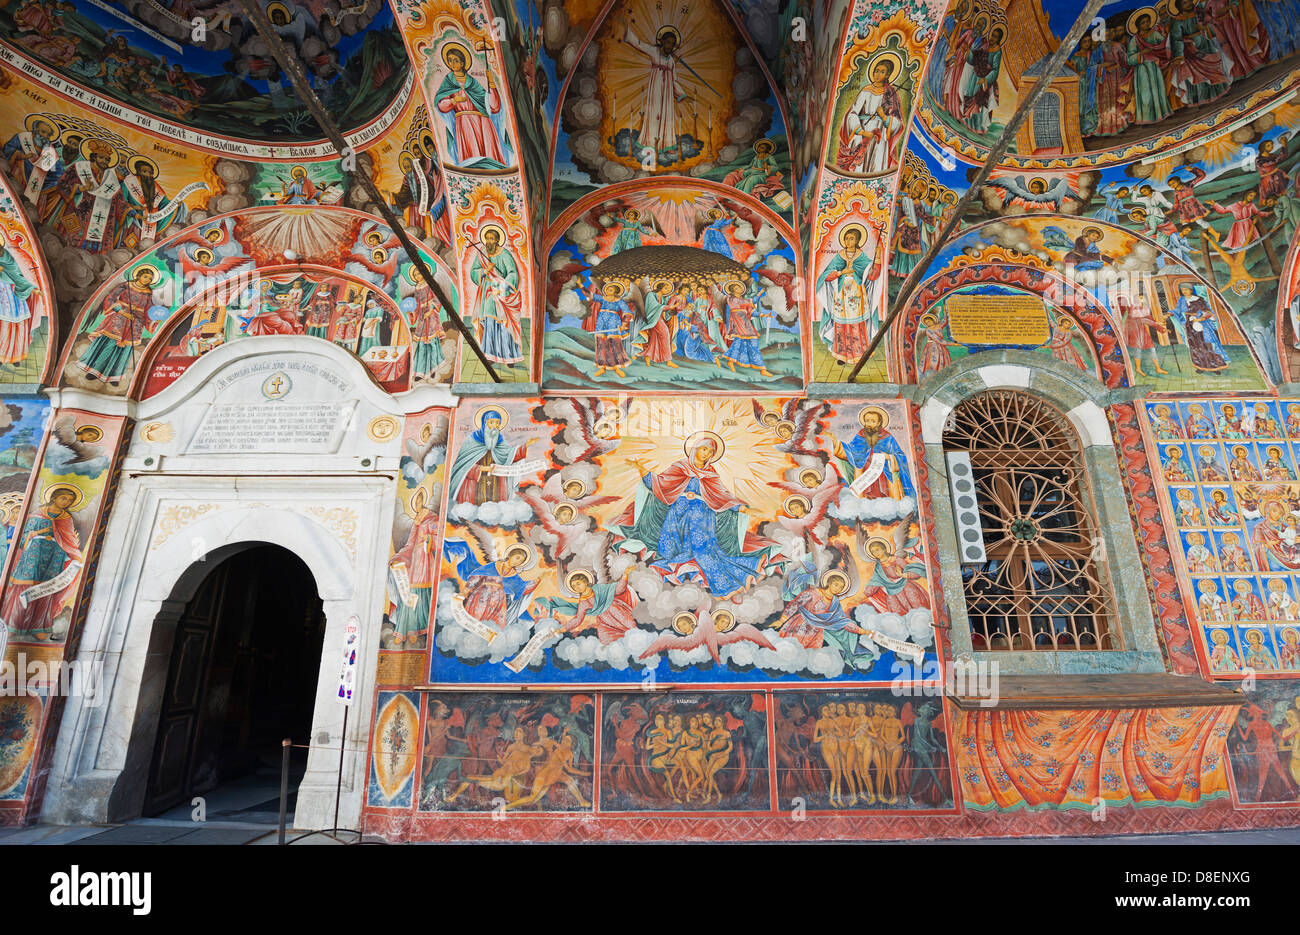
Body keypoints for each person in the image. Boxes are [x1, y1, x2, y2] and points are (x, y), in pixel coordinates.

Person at [619, 432, 770, 597]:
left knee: (703, 552)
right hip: (678, 513)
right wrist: (641, 469)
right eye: (703, 449)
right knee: (668, 547)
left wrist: (742, 509)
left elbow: (722, 496)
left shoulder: (711, 474)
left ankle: (726, 585)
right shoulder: (680, 467)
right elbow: (660, 484)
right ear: (696, 449)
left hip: (701, 517)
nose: (705, 453)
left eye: (709, 452)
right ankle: (676, 580)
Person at [0, 484, 82, 638]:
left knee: (47, 590)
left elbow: (69, 539)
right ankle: (13, 625)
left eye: (69, 500)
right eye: (63, 498)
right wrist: (31, 535)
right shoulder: (36, 514)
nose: (66, 502)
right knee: (22, 585)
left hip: (54, 556)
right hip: (33, 554)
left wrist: (75, 554)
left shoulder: (66, 518)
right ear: (54, 497)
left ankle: (39, 628)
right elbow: (22, 536)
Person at [75, 265, 157, 386]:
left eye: (149, 279)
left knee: (123, 351)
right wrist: (121, 311)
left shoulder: (148, 292)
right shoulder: (126, 285)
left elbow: (148, 309)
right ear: (139, 276)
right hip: (119, 319)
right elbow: (111, 298)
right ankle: (94, 371)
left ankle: (114, 376)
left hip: (135, 323)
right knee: (108, 344)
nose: (147, 280)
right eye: (145, 277)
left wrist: (153, 320)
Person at [432, 41, 507, 168]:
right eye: (450, 60)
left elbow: (493, 106)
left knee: (489, 156)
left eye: (456, 60)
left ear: (462, 63)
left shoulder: (473, 82)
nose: (452, 63)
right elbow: (441, 105)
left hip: (483, 122)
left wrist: (491, 83)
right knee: (473, 158)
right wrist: (454, 101)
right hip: (464, 121)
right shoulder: (449, 81)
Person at [816, 223, 880, 363]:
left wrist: (878, 258)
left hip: (856, 293)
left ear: (857, 241)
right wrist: (841, 272)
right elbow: (827, 275)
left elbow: (872, 275)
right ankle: (842, 355)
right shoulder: (840, 255)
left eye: (851, 238)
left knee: (857, 322)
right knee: (841, 323)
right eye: (846, 238)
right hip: (841, 294)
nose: (848, 241)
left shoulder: (862, 256)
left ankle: (860, 353)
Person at [447, 407, 536, 505]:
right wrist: (483, 468)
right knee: (475, 505)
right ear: (484, 423)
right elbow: (463, 467)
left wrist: (525, 446)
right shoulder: (472, 441)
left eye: (497, 423)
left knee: (495, 505)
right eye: (491, 422)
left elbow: (508, 456)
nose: (495, 426)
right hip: (476, 483)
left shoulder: (499, 441)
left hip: (495, 481)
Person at [836, 55, 904, 175]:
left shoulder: (890, 93)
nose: (878, 74)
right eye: (876, 71)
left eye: (882, 72)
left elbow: (898, 122)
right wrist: (862, 132)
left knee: (876, 166)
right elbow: (853, 113)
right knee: (858, 168)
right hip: (862, 131)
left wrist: (883, 116)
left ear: (887, 75)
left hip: (880, 135)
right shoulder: (865, 90)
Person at [469, 225, 523, 366]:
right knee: (489, 322)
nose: (488, 241)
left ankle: (508, 356)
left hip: (501, 292)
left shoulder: (505, 254)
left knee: (504, 323)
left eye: (491, 239)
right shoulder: (481, 253)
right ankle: (490, 355)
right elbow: (473, 271)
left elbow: (512, 273)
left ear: (497, 240)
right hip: (487, 291)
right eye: (486, 239)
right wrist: (485, 270)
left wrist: (502, 286)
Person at [833, 405, 912, 499]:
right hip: (864, 472)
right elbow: (851, 451)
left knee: (888, 493)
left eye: (873, 421)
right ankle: (861, 504)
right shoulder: (860, 435)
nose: (869, 424)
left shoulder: (887, 437)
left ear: (879, 423)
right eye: (867, 421)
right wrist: (836, 443)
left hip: (883, 472)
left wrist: (889, 457)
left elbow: (900, 456)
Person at [1166, 284, 1228, 374]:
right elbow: (1178, 310)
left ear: (1191, 290)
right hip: (1190, 326)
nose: (1184, 291)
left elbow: (1206, 311)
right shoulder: (1182, 300)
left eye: (1186, 289)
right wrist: (1170, 314)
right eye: (1182, 290)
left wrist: (1198, 317)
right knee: (1195, 346)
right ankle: (1200, 366)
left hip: (1203, 325)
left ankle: (1215, 366)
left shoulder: (1199, 299)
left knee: (1208, 345)